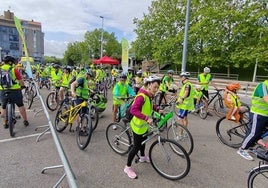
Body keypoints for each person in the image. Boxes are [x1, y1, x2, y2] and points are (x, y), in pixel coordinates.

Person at [124, 75, 161, 179]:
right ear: (149, 85)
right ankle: (127, 167)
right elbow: (134, 110)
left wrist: (157, 109)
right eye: (155, 87)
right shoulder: (141, 96)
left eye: (157, 87)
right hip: (137, 126)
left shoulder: (149, 95)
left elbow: (150, 105)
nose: (156, 89)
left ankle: (143, 157)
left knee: (143, 142)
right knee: (136, 147)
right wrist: (146, 118)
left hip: (143, 126)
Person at [237, 80, 268, 160]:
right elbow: (265, 98)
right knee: (254, 133)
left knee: (261, 132)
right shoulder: (263, 85)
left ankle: (251, 146)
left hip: (266, 114)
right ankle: (242, 149)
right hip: (258, 113)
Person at [0, 56, 29, 128]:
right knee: (20, 105)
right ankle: (25, 120)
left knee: (3, 106)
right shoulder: (14, 69)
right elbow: (20, 80)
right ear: (10, 62)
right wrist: (22, 86)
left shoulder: (0, 69)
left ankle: (4, 123)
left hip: (3, 90)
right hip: (14, 90)